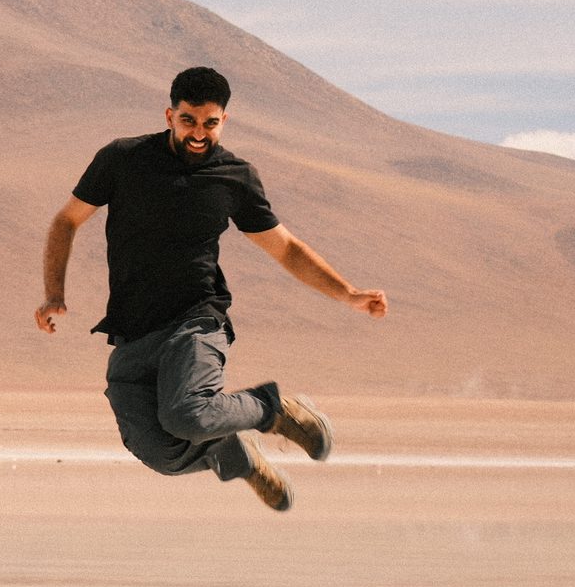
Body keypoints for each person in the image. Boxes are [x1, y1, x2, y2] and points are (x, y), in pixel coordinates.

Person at [35, 66, 388, 509]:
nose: (199, 133)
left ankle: (277, 410)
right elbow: (67, 219)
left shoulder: (233, 177)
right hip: (132, 330)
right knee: (159, 452)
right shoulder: (121, 160)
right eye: (189, 121)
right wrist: (54, 292)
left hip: (195, 321)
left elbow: (286, 249)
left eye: (210, 123)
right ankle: (230, 453)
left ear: (224, 121)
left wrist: (348, 293)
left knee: (187, 414)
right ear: (169, 115)